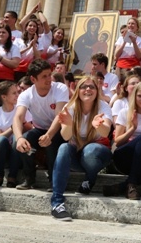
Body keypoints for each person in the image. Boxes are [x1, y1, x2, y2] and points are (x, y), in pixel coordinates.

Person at [49, 76, 113, 220]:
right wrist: (70, 124)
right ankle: (57, 202)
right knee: (63, 148)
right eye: (84, 86)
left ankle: (89, 179)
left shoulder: (103, 107)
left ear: (97, 91)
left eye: (92, 87)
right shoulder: (69, 107)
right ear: (78, 90)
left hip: (96, 155)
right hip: (77, 154)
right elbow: (65, 136)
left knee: (90, 150)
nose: (88, 89)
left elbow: (105, 132)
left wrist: (99, 125)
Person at [12, 59, 69, 190]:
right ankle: (29, 178)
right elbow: (18, 117)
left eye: (49, 74)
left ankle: (54, 180)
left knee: (50, 141)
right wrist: (20, 138)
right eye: (44, 76)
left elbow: (59, 115)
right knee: (20, 142)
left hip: (60, 129)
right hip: (39, 129)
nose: (49, 79)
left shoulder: (60, 88)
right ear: (33, 79)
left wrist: (49, 135)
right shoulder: (26, 94)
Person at [106, 81, 141, 199]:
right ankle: (130, 185)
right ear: (134, 96)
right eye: (140, 96)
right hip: (124, 156)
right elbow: (118, 141)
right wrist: (133, 128)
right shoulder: (124, 112)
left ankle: (127, 185)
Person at [0, 81, 29, 188]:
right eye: (14, 93)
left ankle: (12, 177)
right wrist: (13, 128)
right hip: (3, 153)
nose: (17, 95)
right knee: (1, 141)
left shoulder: (21, 110)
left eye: (17, 92)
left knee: (17, 138)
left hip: (20, 152)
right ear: (4, 97)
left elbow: (31, 128)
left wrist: (23, 127)